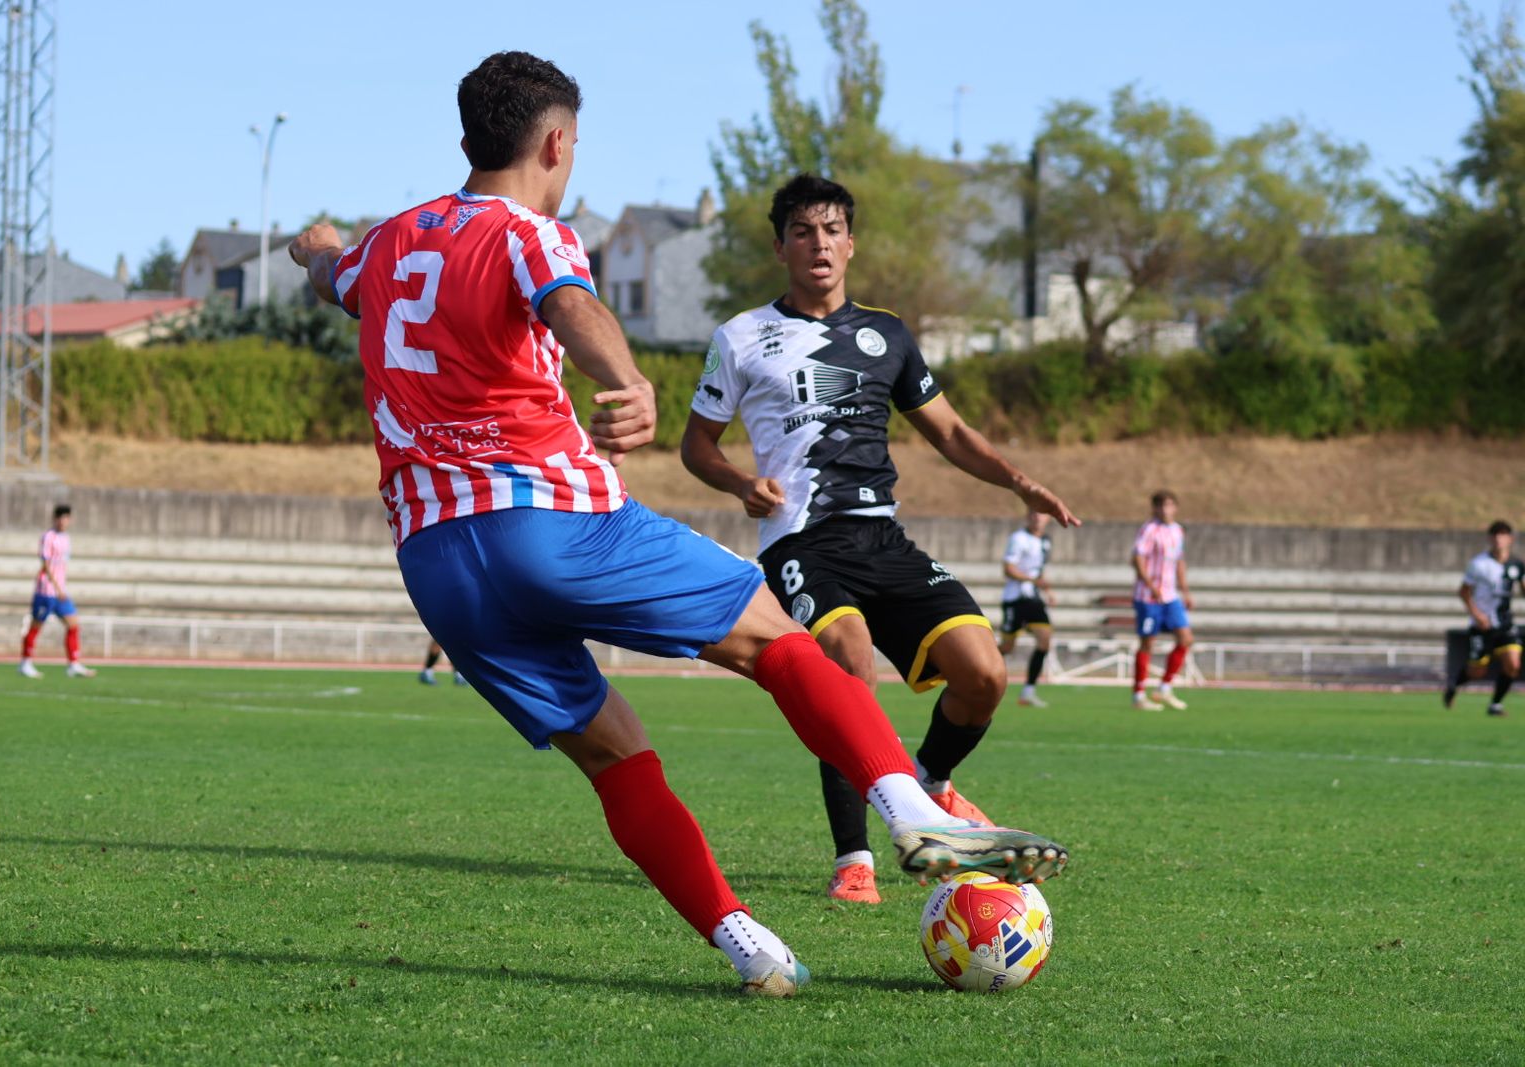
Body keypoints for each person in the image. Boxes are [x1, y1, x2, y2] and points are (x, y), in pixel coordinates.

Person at [289, 52, 1066, 997]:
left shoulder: (386, 246)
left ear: (466, 140)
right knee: (776, 642)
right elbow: (570, 304)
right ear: (554, 142)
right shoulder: (531, 233)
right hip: (551, 522)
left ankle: (751, 947)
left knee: (614, 755)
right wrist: (625, 379)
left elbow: (333, 274)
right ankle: (914, 810)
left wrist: (316, 248)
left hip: (438, 566)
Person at [680, 174, 1078, 904]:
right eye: (803, 231)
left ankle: (930, 784)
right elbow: (696, 445)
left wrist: (1019, 482)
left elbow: (951, 431)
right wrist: (740, 483)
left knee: (985, 672)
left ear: (852, 243)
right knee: (848, 667)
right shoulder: (739, 337)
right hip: (801, 542)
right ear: (781, 247)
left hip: (882, 539)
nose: (819, 243)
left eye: (832, 229)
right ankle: (853, 856)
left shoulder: (887, 334)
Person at [1444, 520, 1523, 717]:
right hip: (1482, 626)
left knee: (1513, 664)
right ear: (1489, 538)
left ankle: (1495, 705)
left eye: (1503, 535)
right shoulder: (1479, 564)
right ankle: (1454, 685)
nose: (1498, 539)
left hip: (1505, 624)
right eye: (1495, 535)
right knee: (1477, 671)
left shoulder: (1517, 565)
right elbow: (1463, 592)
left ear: (1510, 539)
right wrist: (1477, 615)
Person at [18, 504, 96, 679]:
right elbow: (45, 564)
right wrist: (58, 587)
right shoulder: (48, 537)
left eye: (66, 518)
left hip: (60, 592)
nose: (63, 521)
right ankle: (25, 663)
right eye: (60, 518)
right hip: (46, 591)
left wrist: (62, 587)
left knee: (73, 624)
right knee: (36, 627)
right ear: (55, 519)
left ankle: (73, 664)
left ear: (70, 520)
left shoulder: (66, 539)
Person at [1131, 490, 1192, 710]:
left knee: (1185, 639)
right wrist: (1150, 585)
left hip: (1170, 596)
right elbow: (1137, 559)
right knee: (1147, 643)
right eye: (1161, 506)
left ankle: (1164, 688)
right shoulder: (1149, 530)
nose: (1165, 510)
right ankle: (1138, 695)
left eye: (1169, 505)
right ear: (1154, 508)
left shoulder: (1177, 531)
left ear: (1175, 507)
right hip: (1148, 597)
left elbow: (1179, 562)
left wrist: (1185, 591)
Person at [1000, 510, 1055, 709]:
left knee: (1045, 640)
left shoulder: (1046, 541)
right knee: (1007, 647)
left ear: (1048, 518)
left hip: (1033, 599)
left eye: (1041, 514)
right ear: (1027, 516)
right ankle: (973, 673)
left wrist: (1047, 591)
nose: (1037, 517)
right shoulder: (1018, 539)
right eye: (1033, 513)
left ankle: (1028, 691)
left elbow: (1038, 571)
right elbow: (1008, 569)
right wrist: (1032, 580)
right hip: (1015, 599)